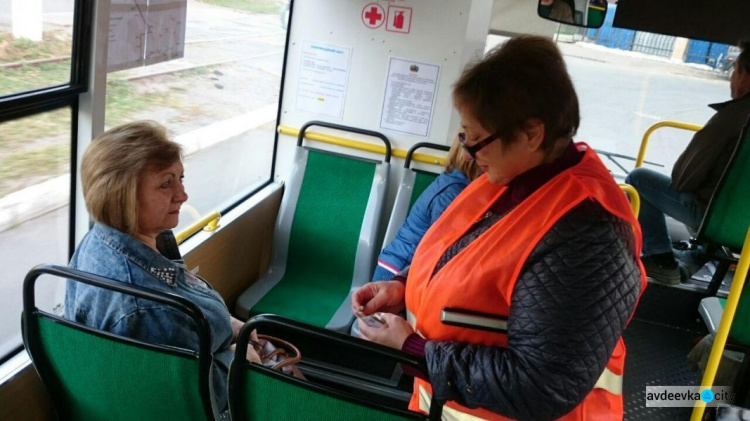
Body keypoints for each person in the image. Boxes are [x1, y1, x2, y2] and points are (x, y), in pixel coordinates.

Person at [352, 36, 646, 420]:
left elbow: (542, 383)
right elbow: (470, 265)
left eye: (476, 139)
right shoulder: (509, 182)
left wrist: (414, 349)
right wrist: (405, 290)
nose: (467, 150)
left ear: (531, 133)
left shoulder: (588, 235)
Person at [65, 121, 259, 415]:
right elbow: (198, 399)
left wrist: (229, 325)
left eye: (181, 179)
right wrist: (241, 360)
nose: (182, 195)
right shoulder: (147, 311)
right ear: (123, 195)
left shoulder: (104, 239)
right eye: (166, 183)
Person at [625, 41, 750, 285]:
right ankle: (699, 254)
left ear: (745, 76)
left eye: (735, 71)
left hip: (718, 219)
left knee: (638, 179)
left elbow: (683, 179)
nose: (732, 79)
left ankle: (660, 259)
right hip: (745, 228)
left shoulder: (733, 117)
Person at [372, 138, 481, 281]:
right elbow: (443, 244)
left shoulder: (452, 180)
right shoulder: (454, 191)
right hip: (398, 268)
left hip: (399, 261)